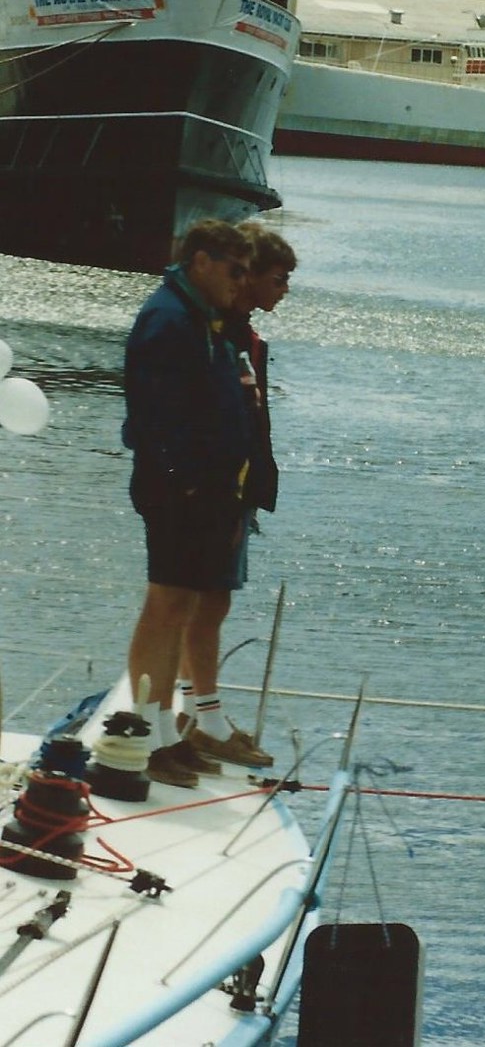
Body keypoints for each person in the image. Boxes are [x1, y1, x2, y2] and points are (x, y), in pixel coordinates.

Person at [122, 220, 254, 788]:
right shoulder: (169, 318)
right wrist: (186, 481)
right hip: (176, 488)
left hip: (200, 488)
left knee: (180, 606)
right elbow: (154, 414)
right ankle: (144, 736)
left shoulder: (198, 316)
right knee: (164, 605)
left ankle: (165, 734)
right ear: (202, 261)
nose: (240, 281)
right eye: (234, 270)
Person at [176, 222, 297, 768]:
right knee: (207, 600)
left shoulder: (243, 338)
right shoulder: (220, 335)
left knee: (210, 599)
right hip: (219, 488)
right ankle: (203, 717)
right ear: (248, 276)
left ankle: (195, 712)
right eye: (278, 278)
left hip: (238, 485)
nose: (284, 290)